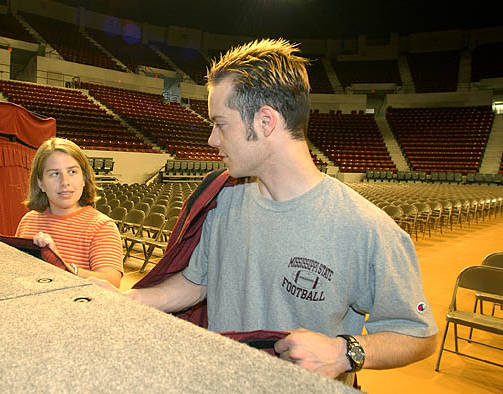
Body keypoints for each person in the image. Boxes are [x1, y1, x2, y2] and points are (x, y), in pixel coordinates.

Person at [91, 39, 438, 384]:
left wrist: (344, 352)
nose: (212, 139)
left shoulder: (365, 228)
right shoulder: (224, 200)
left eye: (221, 123)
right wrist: (126, 299)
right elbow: (195, 285)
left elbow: (417, 334)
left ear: (265, 121)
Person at [0, 137, 123, 287]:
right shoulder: (29, 220)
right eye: (54, 174)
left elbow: (112, 282)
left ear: (84, 179)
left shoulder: (102, 226)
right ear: (41, 183)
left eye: (72, 172)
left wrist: (59, 263)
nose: (65, 182)